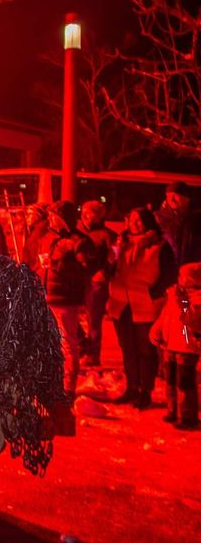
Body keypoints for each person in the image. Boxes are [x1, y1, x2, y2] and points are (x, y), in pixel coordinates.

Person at [107, 207, 174, 408]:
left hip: (145, 303)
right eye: (132, 220)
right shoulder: (122, 243)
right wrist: (113, 256)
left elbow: (170, 273)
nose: (135, 224)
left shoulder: (160, 245)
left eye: (139, 220)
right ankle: (132, 386)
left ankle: (145, 390)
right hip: (121, 303)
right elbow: (110, 268)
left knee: (146, 350)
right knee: (128, 349)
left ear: (148, 222)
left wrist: (153, 291)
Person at [41, 200, 98, 399]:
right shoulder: (54, 238)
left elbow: (88, 269)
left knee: (68, 344)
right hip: (50, 297)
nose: (50, 220)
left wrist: (58, 267)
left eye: (53, 216)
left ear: (62, 219)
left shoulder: (78, 241)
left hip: (66, 299)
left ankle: (69, 386)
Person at [151, 261, 201, 430]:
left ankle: (187, 416)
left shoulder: (196, 298)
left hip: (186, 347)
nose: (180, 279)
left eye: (183, 277)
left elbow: (187, 318)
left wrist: (180, 300)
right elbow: (165, 315)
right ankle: (173, 410)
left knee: (184, 383)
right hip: (170, 344)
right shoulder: (177, 296)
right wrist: (156, 330)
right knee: (170, 380)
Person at [78, 200, 117, 366]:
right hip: (76, 280)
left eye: (91, 215)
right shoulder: (77, 232)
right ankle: (82, 345)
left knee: (93, 320)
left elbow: (114, 259)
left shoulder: (108, 236)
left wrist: (105, 273)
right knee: (71, 318)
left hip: (96, 282)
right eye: (85, 215)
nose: (87, 219)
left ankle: (93, 354)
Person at [156, 181, 201, 267]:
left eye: (175, 196)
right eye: (168, 197)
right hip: (167, 268)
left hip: (191, 269)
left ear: (187, 198)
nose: (171, 200)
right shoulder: (159, 218)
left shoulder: (197, 219)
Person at [20, 203, 50, 271]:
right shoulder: (36, 230)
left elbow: (31, 257)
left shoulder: (38, 233)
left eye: (30, 214)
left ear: (37, 216)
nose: (27, 218)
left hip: (35, 272)